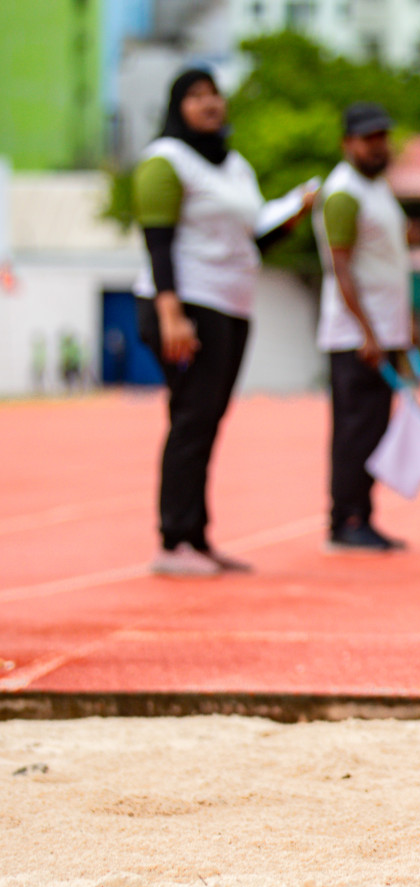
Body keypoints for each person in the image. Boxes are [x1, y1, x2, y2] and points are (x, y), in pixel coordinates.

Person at [132, 68, 314, 576]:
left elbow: (248, 239)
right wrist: (172, 313)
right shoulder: (166, 161)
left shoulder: (234, 166)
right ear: (176, 106)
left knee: (209, 420)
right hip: (187, 306)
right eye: (195, 96)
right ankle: (172, 541)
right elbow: (159, 240)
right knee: (191, 418)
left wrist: (290, 216)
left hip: (232, 307)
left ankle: (196, 536)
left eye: (214, 94)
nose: (210, 103)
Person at [314, 102, 412, 554]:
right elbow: (342, 268)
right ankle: (345, 519)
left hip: (384, 333)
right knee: (355, 430)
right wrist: (367, 331)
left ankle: (363, 515)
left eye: (382, 137)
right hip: (357, 338)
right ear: (347, 143)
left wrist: (401, 328)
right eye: (368, 139)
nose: (378, 146)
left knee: (374, 429)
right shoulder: (344, 193)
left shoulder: (378, 189)